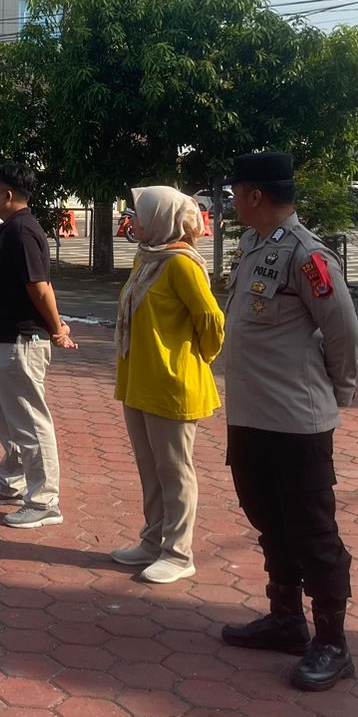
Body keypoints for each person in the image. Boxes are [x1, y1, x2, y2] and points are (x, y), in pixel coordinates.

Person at [217, 151, 358, 691]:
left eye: (236, 193)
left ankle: (333, 642)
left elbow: (343, 329)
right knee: (268, 519)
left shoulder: (307, 255)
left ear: (255, 195)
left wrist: (338, 391)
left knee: (313, 531)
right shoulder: (255, 246)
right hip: (252, 417)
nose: (232, 202)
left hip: (297, 421)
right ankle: (286, 620)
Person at [112, 185, 225, 584]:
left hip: (172, 384)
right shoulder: (147, 258)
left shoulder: (180, 264)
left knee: (175, 471)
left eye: (141, 214)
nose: (134, 221)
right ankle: (152, 540)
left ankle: (178, 553)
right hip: (139, 380)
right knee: (151, 469)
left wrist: (194, 359)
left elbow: (211, 321)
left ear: (161, 220)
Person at [0, 161, 77, 527]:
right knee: (11, 420)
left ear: (7, 195)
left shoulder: (22, 231)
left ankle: (45, 501)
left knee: (30, 422)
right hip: (7, 339)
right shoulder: (14, 229)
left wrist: (57, 327)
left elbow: (40, 286)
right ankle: (12, 483)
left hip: (22, 340)